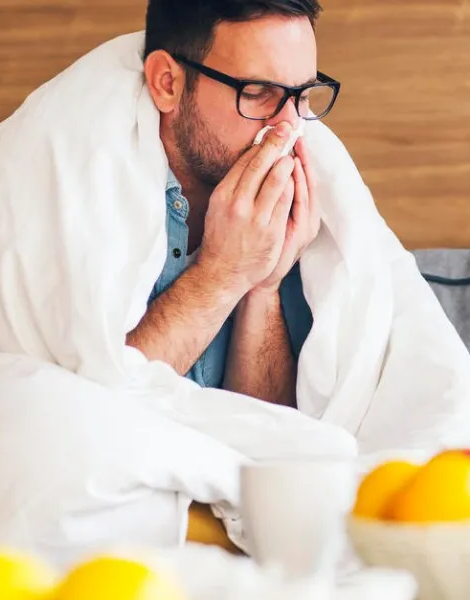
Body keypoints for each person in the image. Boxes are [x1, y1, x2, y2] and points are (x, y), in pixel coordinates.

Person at [127, 0, 334, 552]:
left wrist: (260, 284)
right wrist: (221, 272)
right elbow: (85, 417)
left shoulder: (291, 213)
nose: (289, 130)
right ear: (168, 83)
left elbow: (265, 449)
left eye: (303, 95)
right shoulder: (95, 192)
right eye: (258, 93)